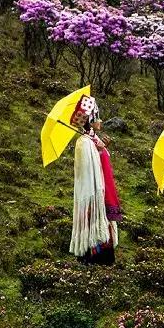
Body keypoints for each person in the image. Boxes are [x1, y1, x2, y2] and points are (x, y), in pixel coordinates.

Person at [69, 95, 119, 265]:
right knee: (94, 222)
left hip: (102, 190)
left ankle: (102, 258)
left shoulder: (94, 139)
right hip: (93, 194)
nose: (100, 121)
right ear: (90, 121)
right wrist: (98, 151)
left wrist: (101, 150)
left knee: (102, 223)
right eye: (97, 117)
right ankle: (92, 257)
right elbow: (87, 170)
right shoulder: (83, 142)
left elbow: (101, 162)